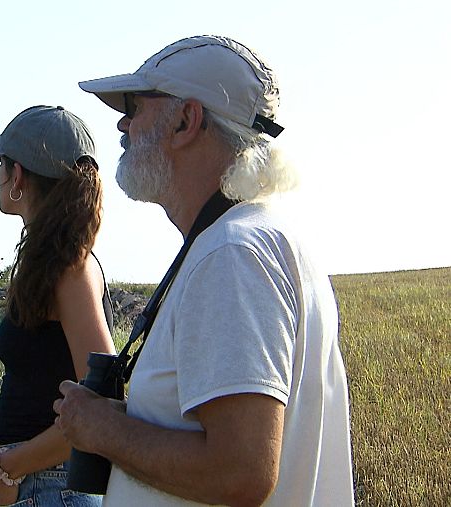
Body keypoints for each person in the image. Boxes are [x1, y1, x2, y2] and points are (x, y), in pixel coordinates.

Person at [52, 35, 355, 506]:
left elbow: (241, 473)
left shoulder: (231, 254)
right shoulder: (259, 237)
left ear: (186, 121)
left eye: (135, 105)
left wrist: (103, 430)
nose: (122, 123)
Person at [0, 105, 116, 506]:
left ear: (17, 176)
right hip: (36, 482)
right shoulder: (51, 260)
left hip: (48, 485)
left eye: (1, 164)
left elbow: (102, 398)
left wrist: (10, 465)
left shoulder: (71, 268)